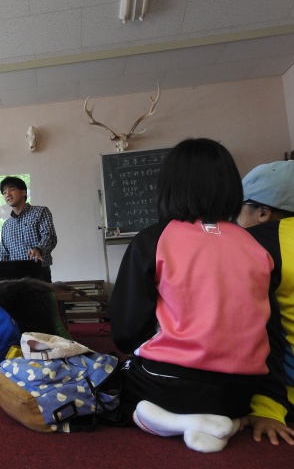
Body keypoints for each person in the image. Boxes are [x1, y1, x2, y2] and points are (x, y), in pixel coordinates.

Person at [108, 138, 282, 453]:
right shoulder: (256, 246)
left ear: (168, 186)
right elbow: (268, 326)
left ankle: (176, 421)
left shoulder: (153, 240)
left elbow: (125, 331)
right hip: (240, 392)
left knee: (109, 387)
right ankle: (228, 422)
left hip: (167, 385)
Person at [236, 160, 294, 445]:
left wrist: (267, 408)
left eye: (239, 210)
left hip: (285, 395)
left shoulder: (257, 242)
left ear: (262, 213)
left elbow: (260, 329)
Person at [0, 176, 57, 282]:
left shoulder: (40, 212)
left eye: (12, 189)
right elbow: (4, 253)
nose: (8, 194)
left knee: (42, 299)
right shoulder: (6, 225)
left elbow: (49, 236)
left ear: (23, 192)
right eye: (4, 192)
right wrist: (0, 275)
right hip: (14, 277)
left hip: (39, 273)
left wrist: (38, 249)